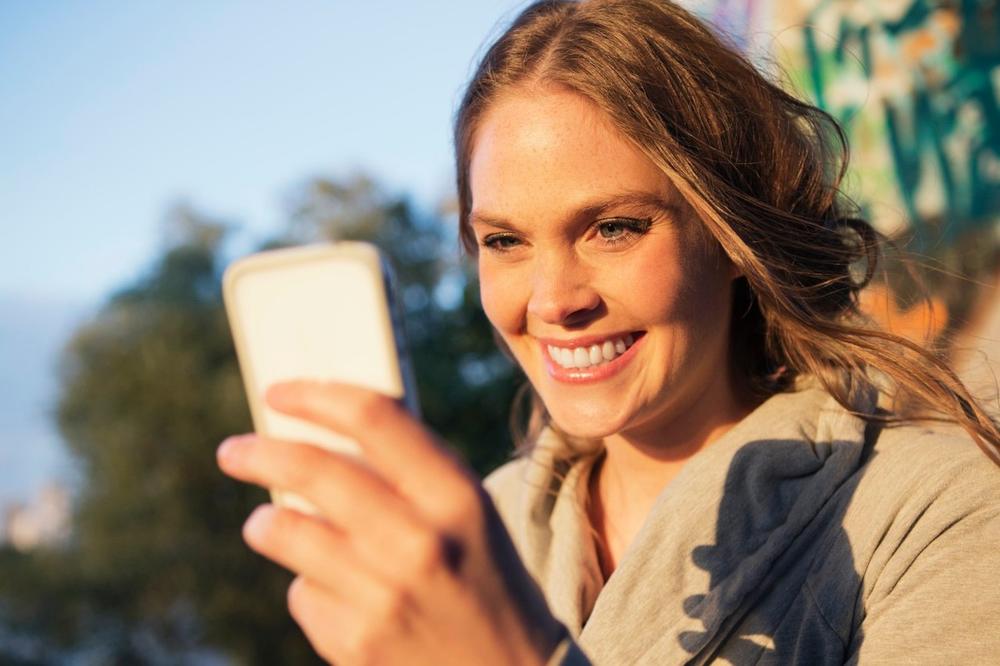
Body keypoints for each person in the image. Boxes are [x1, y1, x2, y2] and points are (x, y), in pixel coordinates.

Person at [217, 0, 1000, 663]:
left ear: (732, 234)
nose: (554, 300)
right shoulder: (473, 536)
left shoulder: (939, 508)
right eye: (504, 241)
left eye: (615, 228)